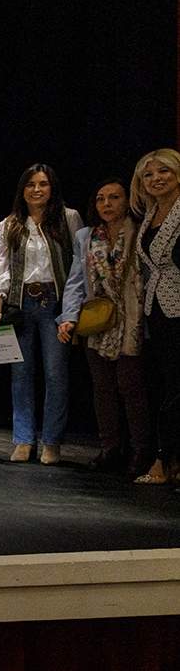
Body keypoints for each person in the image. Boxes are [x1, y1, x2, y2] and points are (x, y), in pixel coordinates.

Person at [0, 163, 81, 464]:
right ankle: (24, 439)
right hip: (21, 303)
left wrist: (71, 311)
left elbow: (79, 266)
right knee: (21, 374)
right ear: (22, 190)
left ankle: (52, 441)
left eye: (43, 184)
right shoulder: (10, 223)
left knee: (56, 374)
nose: (36, 190)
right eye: (30, 184)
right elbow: (0, 269)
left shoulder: (68, 218)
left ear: (52, 187)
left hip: (55, 302)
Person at [58, 177, 150, 476]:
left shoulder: (140, 230)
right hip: (98, 319)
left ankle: (141, 450)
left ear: (127, 201)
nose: (107, 204)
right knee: (103, 389)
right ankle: (110, 447)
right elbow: (75, 281)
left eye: (114, 198)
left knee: (131, 386)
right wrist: (69, 317)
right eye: (101, 199)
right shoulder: (86, 235)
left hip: (133, 318)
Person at [131, 148, 180, 484]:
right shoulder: (150, 215)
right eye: (148, 174)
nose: (156, 179)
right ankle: (170, 460)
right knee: (167, 385)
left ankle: (165, 461)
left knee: (176, 387)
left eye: (163, 171)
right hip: (158, 310)